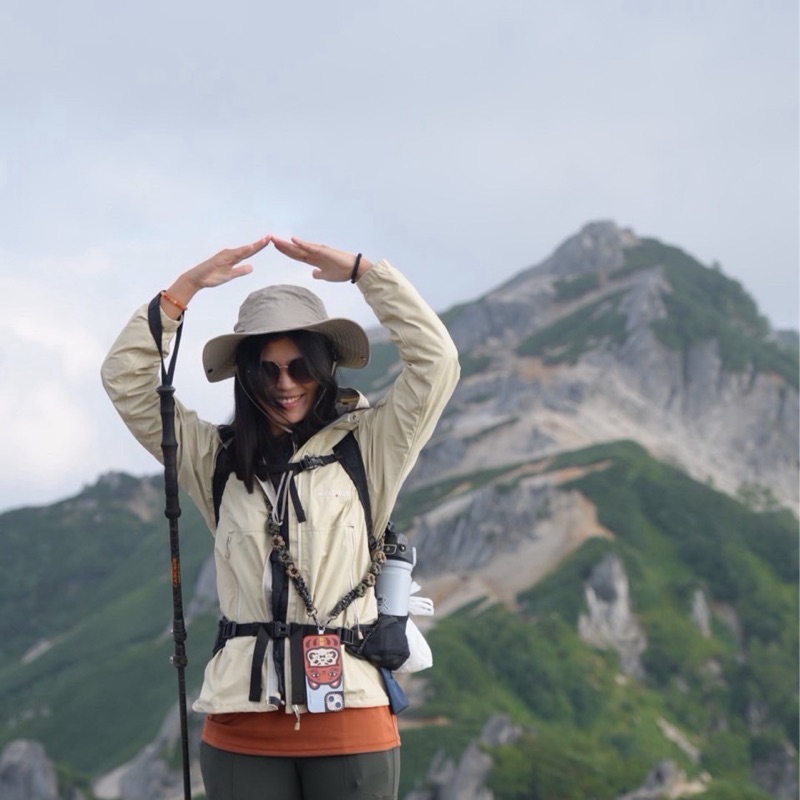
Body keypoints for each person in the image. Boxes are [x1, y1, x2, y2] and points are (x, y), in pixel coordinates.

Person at [101, 234, 460, 800]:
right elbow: (126, 382)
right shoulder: (213, 459)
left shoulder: (372, 446)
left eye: (299, 367)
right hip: (240, 725)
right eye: (267, 371)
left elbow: (437, 363)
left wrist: (366, 274)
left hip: (353, 716)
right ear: (246, 375)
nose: (285, 384)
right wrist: (180, 294)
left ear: (325, 366)